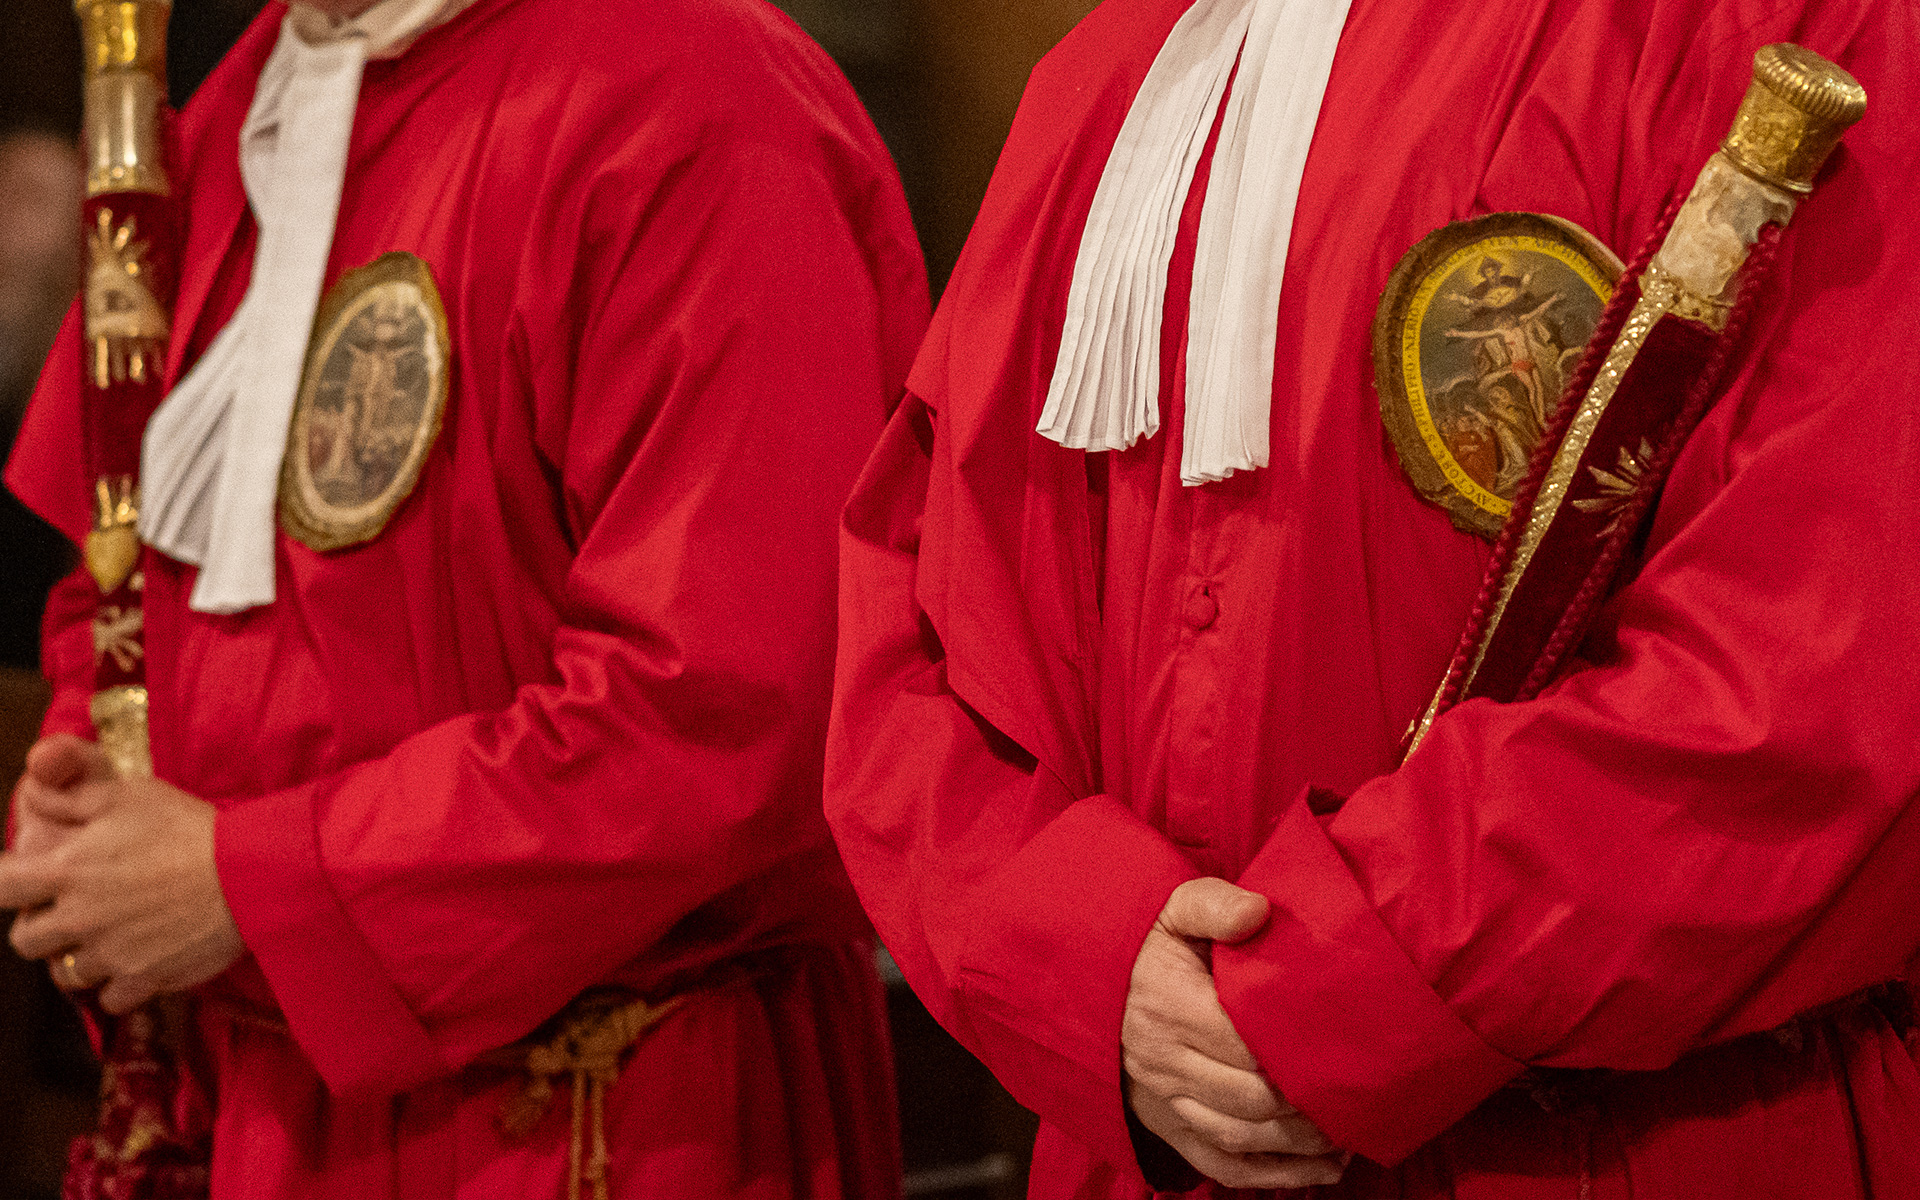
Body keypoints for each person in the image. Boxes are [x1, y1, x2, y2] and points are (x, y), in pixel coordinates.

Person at [822, 0, 1920, 1196]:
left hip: (1621, 1135)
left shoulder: (1774, 26)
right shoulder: (1109, 73)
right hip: (1166, 1131)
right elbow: (917, 631)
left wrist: (1323, 995)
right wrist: (1084, 953)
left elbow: (1814, 667)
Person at [0, 0, 929, 1196]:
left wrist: (251, 886)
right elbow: (118, 567)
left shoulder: (700, 98)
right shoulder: (246, 101)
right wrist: (92, 815)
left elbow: (723, 709)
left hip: (605, 1102)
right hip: (265, 1092)